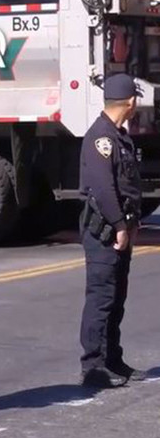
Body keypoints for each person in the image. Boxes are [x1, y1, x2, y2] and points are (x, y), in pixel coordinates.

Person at [77, 73, 145, 388]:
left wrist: (134, 222)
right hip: (104, 231)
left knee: (116, 298)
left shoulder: (119, 136)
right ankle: (93, 366)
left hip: (121, 228)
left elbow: (127, 185)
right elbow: (104, 190)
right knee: (101, 298)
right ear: (130, 101)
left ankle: (112, 359)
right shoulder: (100, 138)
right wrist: (119, 225)